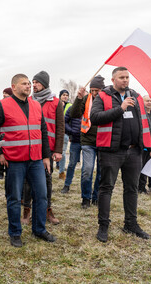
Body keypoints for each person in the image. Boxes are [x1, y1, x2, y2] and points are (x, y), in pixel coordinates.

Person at [0, 73, 56, 247]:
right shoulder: (2, 106)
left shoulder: (35, 105)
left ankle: (39, 229)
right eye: (24, 84)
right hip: (15, 160)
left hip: (36, 160)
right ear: (14, 87)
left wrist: (46, 156)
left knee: (41, 196)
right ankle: (15, 232)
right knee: (14, 197)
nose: (28, 86)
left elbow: (43, 132)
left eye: (29, 84)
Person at [90, 67, 151, 242]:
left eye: (127, 77)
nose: (125, 80)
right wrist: (120, 108)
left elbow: (145, 122)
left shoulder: (136, 96)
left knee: (132, 188)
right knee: (106, 188)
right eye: (121, 77)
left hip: (134, 151)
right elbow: (95, 117)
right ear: (113, 80)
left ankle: (131, 224)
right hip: (111, 151)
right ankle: (103, 225)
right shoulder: (103, 96)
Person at [22, 71, 64, 225]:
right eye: (32, 82)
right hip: (30, 146)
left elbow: (60, 127)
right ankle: (27, 210)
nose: (33, 85)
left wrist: (58, 150)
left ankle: (47, 210)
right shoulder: (28, 100)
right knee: (28, 181)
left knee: (47, 180)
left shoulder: (55, 102)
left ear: (44, 84)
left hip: (48, 149)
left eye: (37, 82)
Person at [69, 75, 105, 206]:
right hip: (87, 140)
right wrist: (79, 98)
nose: (94, 93)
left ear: (102, 89)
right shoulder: (86, 98)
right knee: (87, 170)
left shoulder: (107, 99)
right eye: (92, 90)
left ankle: (96, 197)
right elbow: (74, 114)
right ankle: (85, 198)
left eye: (97, 90)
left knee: (101, 173)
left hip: (103, 140)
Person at [60, 105, 81, 197]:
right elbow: (64, 122)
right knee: (72, 164)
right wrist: (71, 131)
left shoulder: (92, 107)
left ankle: (87, 189)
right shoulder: (72, 108)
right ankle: (67, 185)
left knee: (87, 168)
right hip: (75, 140)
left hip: (89, 141)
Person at [0, 88, 14, 179]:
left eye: (6, 93)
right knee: (0, 153)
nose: (4, 95)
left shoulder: (13, 106)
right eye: (3, 93)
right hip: (0, 135)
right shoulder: (0, 105)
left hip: (10, 138)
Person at [57, 89, 72, 180]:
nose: (65, 96)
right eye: (63, 95)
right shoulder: (55, 104)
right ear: (60, 96)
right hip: (54, 133)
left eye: (67, 95)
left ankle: (61, 172)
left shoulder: (70, 106)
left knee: (62, 153)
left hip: (65, 133)